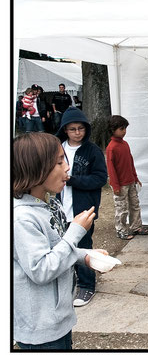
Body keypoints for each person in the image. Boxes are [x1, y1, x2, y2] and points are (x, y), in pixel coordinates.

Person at [13, 132, 104, 350]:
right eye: (59, 161)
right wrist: (75, 232)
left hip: (60, 319)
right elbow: (41, 269)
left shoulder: (51, 204)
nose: (67, 168)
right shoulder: (21, 218)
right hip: (40, 328)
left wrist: (86, 256)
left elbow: (60, 249)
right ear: (36, 169)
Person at [56, 107, 108, 307]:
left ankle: (87, 286)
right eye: (72, 129)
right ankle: (70, 280)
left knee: (83, 246)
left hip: (83, 210)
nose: (77, 133)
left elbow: (99, 178)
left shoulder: (92, 151)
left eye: (80, 128)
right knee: (64, 245)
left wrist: (73, 180)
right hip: (61, 209)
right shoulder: (58, 148)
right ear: (65, 130)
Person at [106, 115, 148, 240]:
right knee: (122, 208)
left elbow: (130, 162)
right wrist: (115, 185)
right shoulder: (111, 148)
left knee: (135, 205)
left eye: (125, 128)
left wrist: (135, 177)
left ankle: (136, 227)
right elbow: (111, 169)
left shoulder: (125, 144)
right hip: (120, 184)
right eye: (121, 128)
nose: (124, 131)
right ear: (113, 129)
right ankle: (121, 230)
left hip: (130, 181)